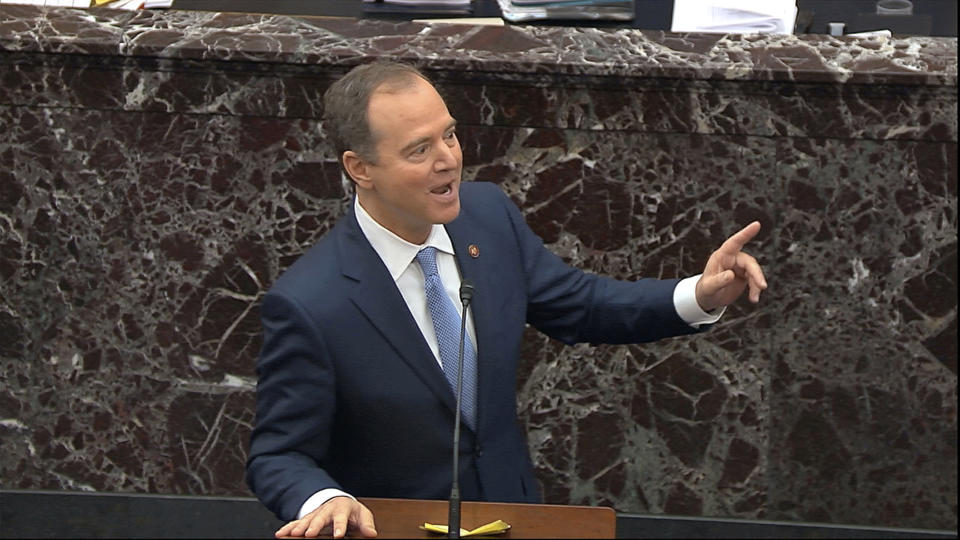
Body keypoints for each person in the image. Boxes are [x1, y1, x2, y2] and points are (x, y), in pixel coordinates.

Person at [245, 61, 767, 539]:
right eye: (419, 150)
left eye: (449, 135)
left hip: (511, 518)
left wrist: (698, 294)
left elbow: (579, 305)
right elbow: (278, 451)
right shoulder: (312, 303)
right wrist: (326, 499)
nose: (448, 160)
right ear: (361, 169)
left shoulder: (487, 216)